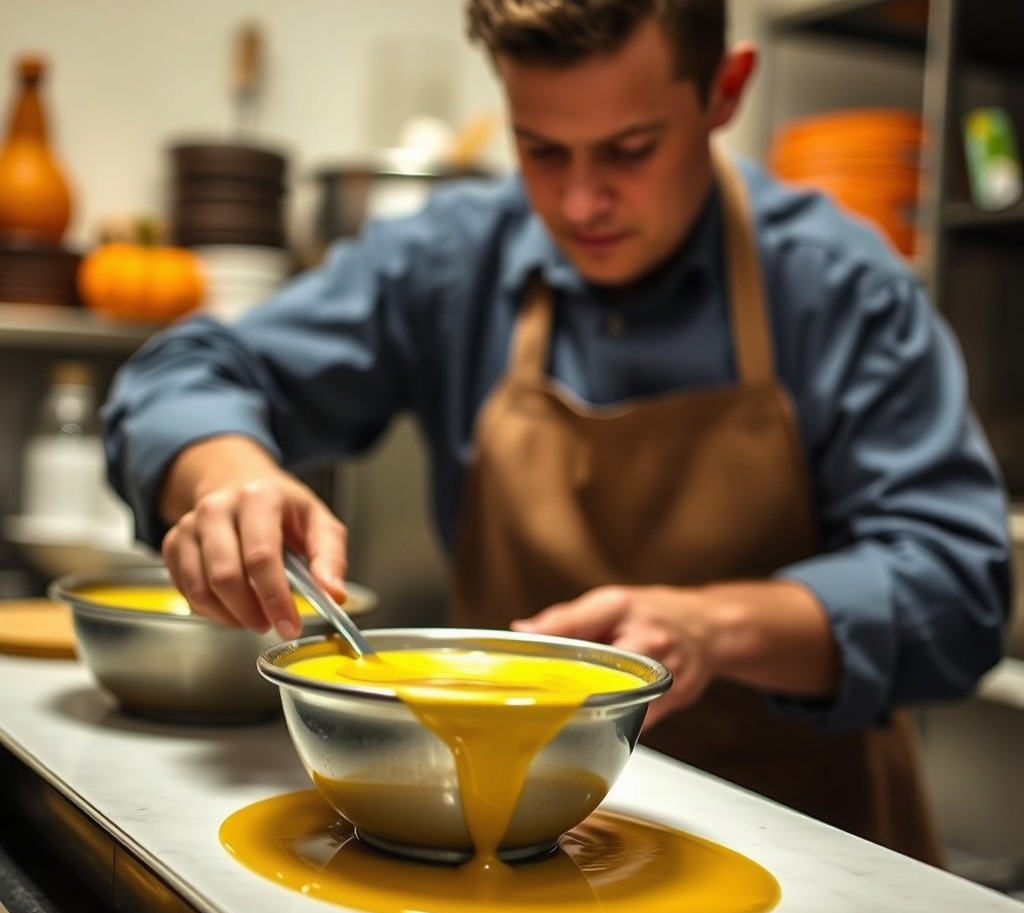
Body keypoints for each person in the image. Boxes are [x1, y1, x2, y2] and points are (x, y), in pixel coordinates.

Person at [103, 0, 1012, 865]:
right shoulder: (455, 260)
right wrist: (225, 477)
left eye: (630, 149)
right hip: (492, 844)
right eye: (541, 150)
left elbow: (958, 583)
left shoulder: (839, 286)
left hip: (805, 865)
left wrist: (714, 625)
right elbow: (182, 372)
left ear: (723, 92)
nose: (581, 202)